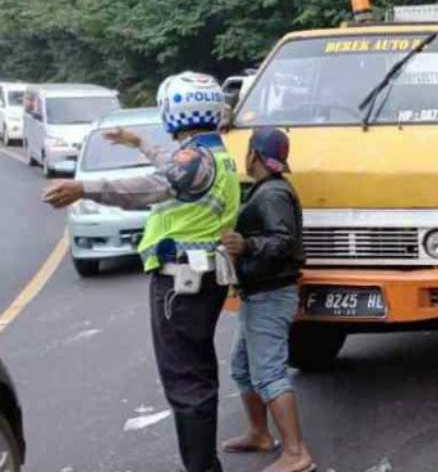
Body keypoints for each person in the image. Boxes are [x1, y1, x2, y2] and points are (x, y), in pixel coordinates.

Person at [43, 72, 240, 472]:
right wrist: (141, 144)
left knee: (186, 383)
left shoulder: (194, 161)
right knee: (197, 375)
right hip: (200, 279)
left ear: (173, 111)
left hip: (180, 285)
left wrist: (84, 188)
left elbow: (150, 187)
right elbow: (175, 169)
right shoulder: (212, 153)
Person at [220, 128, 314, 472]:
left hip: (271, 295)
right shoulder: (266, 190)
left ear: (254, 156)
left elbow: (284, 243)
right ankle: (259, 433)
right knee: (243, 368)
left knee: (269, 373)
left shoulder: (272, 194)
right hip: (257, 293)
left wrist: (246, 246)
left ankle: (296, 453)